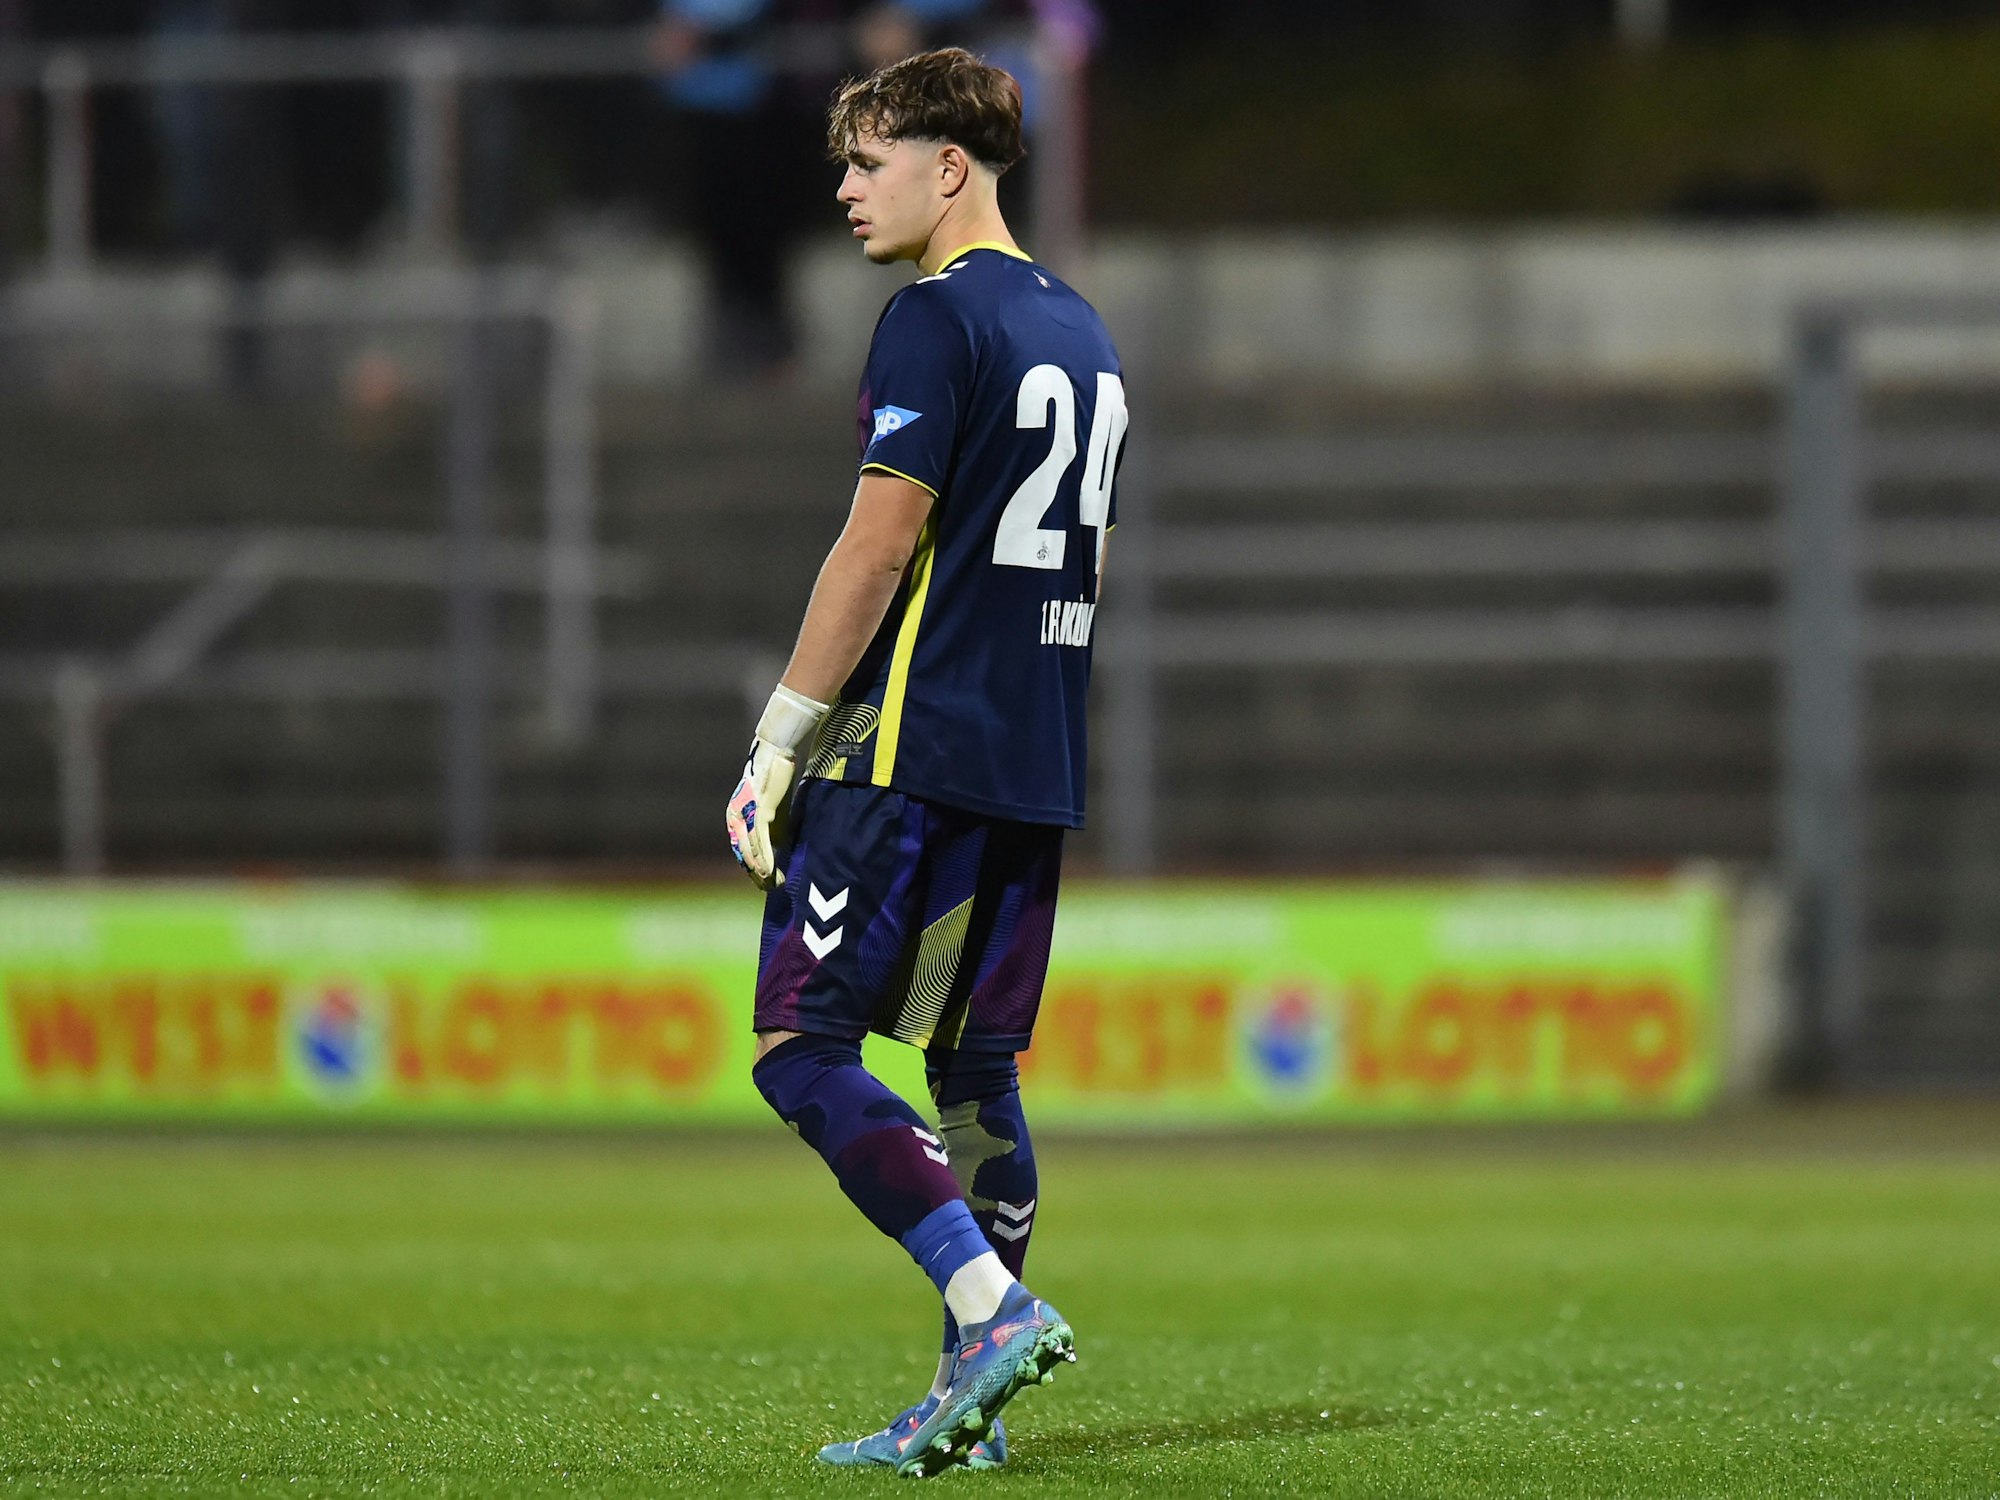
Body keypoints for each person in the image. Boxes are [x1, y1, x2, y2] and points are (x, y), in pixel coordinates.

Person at [723, 46, 1128, 1477]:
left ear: (948, 167)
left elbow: (881, 540)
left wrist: (780, 737)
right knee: (976, 1069)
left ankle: (988, 1305)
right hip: (1032, 757)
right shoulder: (1082, 331)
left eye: (869, 159)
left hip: (907, 752)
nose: (844, 187)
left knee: (800, 1046)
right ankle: (977, 1398)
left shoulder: (933, 319)